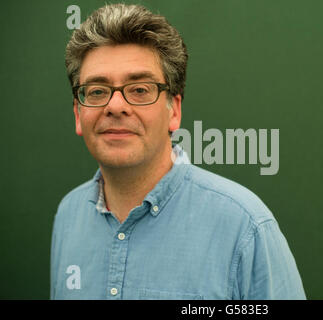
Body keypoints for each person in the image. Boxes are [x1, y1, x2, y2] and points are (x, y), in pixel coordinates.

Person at [51, 3, 306, 300]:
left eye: (140, 89)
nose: (115, 106)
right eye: (96, 91)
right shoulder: (69, 216)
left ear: (175, 111)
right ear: (78, 114)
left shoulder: (245, 228)